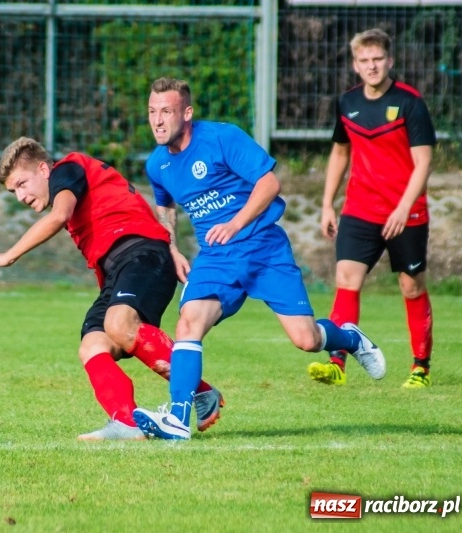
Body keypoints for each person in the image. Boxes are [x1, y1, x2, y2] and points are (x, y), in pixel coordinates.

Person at [132, 77, 386, 441]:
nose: (157, 120)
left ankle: (349, 339)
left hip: (263, 247)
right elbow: (165, 207)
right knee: (188, 323)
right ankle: (178, 417)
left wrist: (235, 224)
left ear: (187, 113)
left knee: (306, 339)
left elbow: (269, 184)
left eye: (166, 111)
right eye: (152, 112)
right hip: (217, 258)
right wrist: (171, 248)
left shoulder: (222, 137)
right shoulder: (158, 164)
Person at [0, 137, 223, 441]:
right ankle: (126, 422)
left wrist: (9, 255)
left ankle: (201, 392)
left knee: (119, 324)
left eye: (21, 184)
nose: (20, 196)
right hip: (120, 269)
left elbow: (60, 216)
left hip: (142, 256)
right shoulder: (77, 183)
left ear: (43, 170)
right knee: (92, 345)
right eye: (13, 191)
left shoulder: (67, 169)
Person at [308, 28, 436, 389]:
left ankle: (421, 367)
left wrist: (403, 208)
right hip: (360, 208)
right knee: (346, 279)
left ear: (390, 61)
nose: (372, 66)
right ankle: (337, 362)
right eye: (364, 60)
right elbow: (340, 152)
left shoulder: (410, 103)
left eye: (378, 59)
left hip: (406, 212)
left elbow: (424, 162)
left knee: (411, 287)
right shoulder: (347, 102)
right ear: (355, 65)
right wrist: (327, 204)